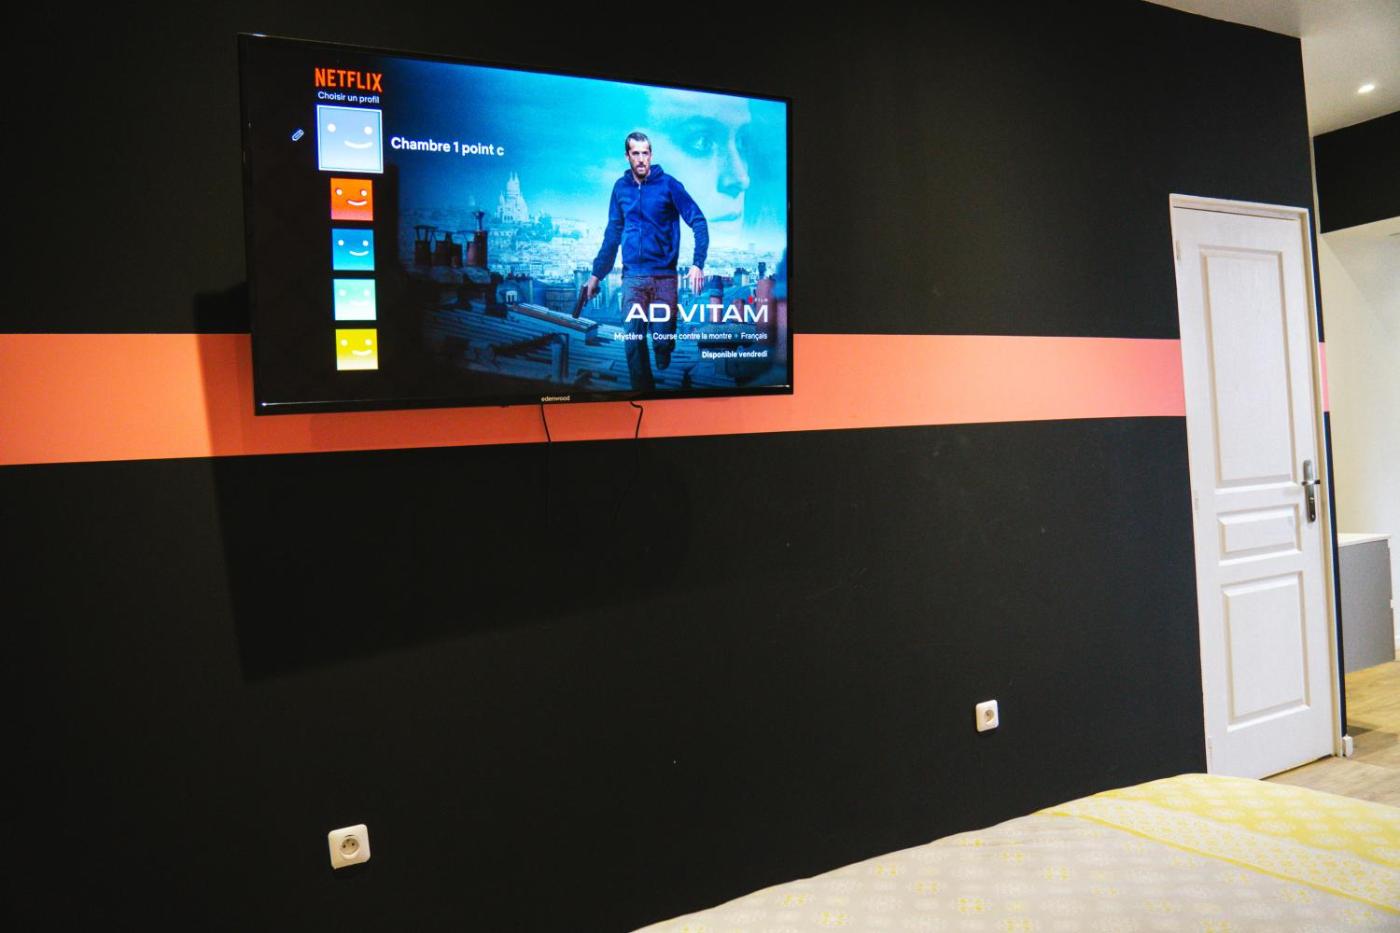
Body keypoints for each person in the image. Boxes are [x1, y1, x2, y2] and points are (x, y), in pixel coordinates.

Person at [584, 132, 708, 392]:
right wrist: (597, 275)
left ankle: (664, 349)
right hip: (633, 277)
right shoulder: (620, 188)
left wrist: (698, 263)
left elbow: (698, 220)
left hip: (664, 276)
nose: (641, 159)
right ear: (627, 156)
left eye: (645, 153)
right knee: (633, 338)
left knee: (661, 339)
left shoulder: (669, 185)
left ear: (651, 155)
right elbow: (612, 234)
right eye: (635, 153)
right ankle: (644, 392)